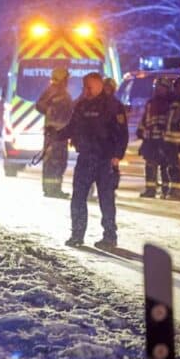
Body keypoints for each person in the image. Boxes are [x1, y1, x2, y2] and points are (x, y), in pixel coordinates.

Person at [58, 72, 129, 249]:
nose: (86, 90)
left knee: (106, 199)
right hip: (85, 158)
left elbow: (122, 134)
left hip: (105, 160)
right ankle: (77, 235)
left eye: (89, 87)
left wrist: (117, 156)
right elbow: (72, 128)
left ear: (98, 85)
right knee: (78, 197)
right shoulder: (81, 105)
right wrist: (56, 134)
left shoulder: (113, 106)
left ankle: (109, 237)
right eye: (84, 87)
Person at [35, 67, 73, 198]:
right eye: (67, 78)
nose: (68, 81)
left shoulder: (59, 91)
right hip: (54, 133)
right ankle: (52, 189)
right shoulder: (53, 90)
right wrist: (51, 112)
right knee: (54, 161)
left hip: (60, 133)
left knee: (58, 161)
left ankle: (53, 188)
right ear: (62, 78)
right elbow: (39, 105)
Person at [137, 78, 172, 198]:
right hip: (150, 139)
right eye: (157, 87)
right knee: (150, 165)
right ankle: (150, 190)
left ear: (167, 89)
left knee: (165, 166)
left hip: (164, 140)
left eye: (162, 88)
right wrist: (140, 130)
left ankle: (166, 190)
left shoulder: (170, 104)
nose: (159, 90)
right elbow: (144, 119)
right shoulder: (150, 103)